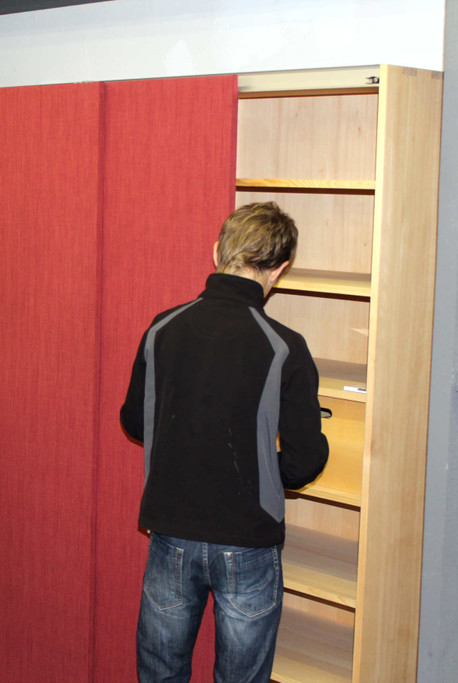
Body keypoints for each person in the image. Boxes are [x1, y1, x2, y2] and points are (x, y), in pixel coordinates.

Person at [119, 202, 329, 682]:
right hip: (247, 540)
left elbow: (134, 420)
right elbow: (303, 463)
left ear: (217, 252)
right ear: (279, 270)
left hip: (171, 532)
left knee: (161, 672)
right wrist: (259, 468)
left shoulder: (163, 326)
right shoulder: (285, 345)